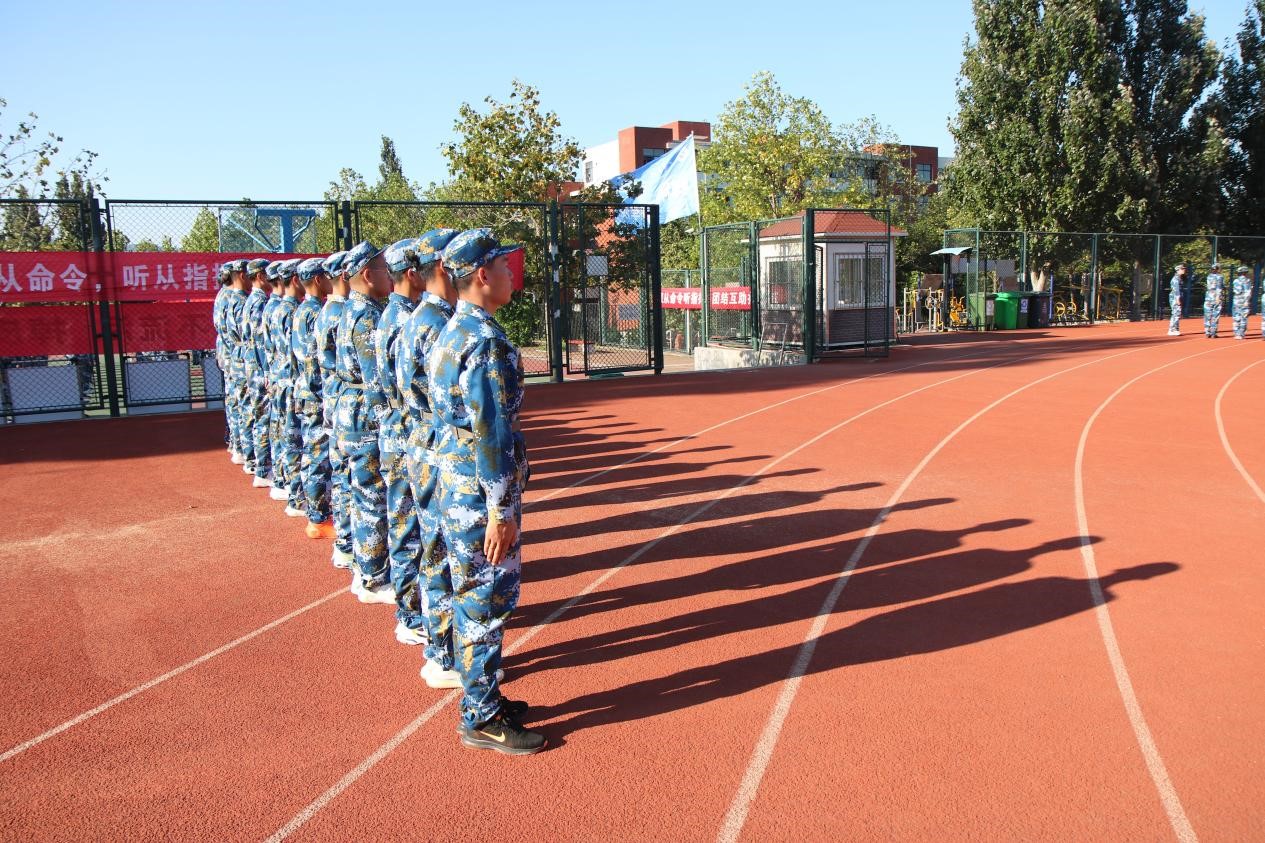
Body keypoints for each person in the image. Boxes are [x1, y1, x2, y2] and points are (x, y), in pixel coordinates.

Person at [428, 228, 541, 755]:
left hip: (456, 481)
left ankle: (485, 697)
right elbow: (490, 433)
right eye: (502, 266)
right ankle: (481, 716)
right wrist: (500, 509)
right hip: (478, 492)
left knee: (472, 593)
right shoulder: (484, 341)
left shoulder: (453, 330)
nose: (510, 274)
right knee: (486, 598)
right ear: (481, 275)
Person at [393, 229, 463, 673]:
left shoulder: (419, 317)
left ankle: (442, 645)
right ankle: (444, 654)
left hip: (422, 441)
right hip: (439, 445)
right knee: (442, 552)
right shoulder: (437, 324)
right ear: (442, 266)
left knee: (434, 547)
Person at [333, 241, 396, 604]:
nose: (390, 276)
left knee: (360, 492)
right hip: (365, 415)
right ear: (368, 275)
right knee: (372, 496)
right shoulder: (368, 317)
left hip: (350, 409)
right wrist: (390, 425)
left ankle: (364, 568)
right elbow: (377, 383)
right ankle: (373, 577)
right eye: (384, 269)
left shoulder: (350, 309)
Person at [377, 238, 428, 645]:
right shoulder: (403, 319)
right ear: (412, 273)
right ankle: (411, 616)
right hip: (404, 432)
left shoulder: (397, 314)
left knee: (407, 521)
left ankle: (414, 609)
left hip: (400, 429)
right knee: (408, 524)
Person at [316, 251, 355, 566]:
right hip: (348, 404)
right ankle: (349, 544)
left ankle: (344, 542)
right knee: (351, 478)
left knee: (342, 474)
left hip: (335, 403)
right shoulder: (342, 313)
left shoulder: (327, 311)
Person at [291, 258, 335, 537]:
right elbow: (316, 360)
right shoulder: (315, 312)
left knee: (312, 453)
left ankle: (315, 513)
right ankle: (318, 519)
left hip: (306, 390)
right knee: (318, 457)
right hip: (316, 394)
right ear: (319, 280)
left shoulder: (303, 310)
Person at [270, 258, 306, 514]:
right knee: (294, 439)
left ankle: (283, 483)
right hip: (292, 381)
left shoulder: (277, 308)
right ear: (295, 280)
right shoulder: (293, 310)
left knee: (284, 434)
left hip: (280, 378)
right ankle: (295, 496)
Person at [241, 258, 275, 488]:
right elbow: (261, 341)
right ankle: (263, 469)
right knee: (263, 418)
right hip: (259, 368)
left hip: (253, 366)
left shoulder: (252, 300)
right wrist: (266, 371)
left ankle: (260, 465)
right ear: (261, 276)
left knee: (259, 415)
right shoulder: (259, 302)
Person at [1203, 262, 1225, 338]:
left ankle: (1207, 332)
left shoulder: (1208, 276)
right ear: (1218, 269)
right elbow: (1219, 287)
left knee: (1207, 315)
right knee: (1215, 315)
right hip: (1216, 297)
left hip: (1208, 297)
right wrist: (1218, 297)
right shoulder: (1220, 277)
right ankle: (1213, 332)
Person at [1231, 265, 1252, 341]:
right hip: (1243, 300)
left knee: (1236, 317)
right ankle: (1241, 334)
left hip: (1236, 300)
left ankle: (1236, 333)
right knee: (1244, 317)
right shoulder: (1247, 281)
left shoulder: (1235, 281)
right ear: (1245, 272)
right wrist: (1247, 301)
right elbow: (1247, 292)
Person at [1167, 264, 1186, 336]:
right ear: (1178, 270)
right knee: (1176, 313)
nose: (1184, 270)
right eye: (1182, 269)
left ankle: (1175, 329)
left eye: (1184, 269)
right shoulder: (1175, 279)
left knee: (1177, 313)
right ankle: (1172, 329)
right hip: (1175, 298)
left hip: (1177, 297)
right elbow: (1176, 290)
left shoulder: (1179, 278)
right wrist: (1178, 299)